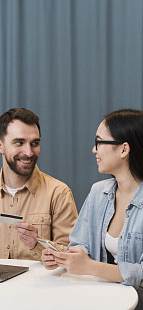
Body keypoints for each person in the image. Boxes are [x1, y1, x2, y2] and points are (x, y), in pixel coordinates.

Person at [41, 109, 143, 307]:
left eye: (99, 142)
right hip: (100, 297)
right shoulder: (99, 192)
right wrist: (62, 257)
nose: (94, 150)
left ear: (123, 149)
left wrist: (90, 267)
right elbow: (80, 245)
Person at [0, 108, 78, 260]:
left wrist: (36, 244)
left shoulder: (58, 193)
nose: (29, 152)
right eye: (19, 143)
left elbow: (71, 254)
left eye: (35, 143)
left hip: (38, 283)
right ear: (0, 146)